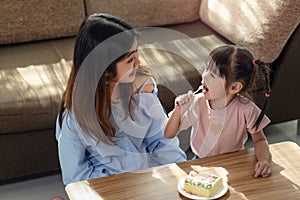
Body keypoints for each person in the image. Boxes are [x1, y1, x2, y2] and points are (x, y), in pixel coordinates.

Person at [56, 13, 186, 185]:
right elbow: (75, 176)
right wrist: (122, 185)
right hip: (109, 188)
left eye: (137, 54)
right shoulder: (75, 117)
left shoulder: (141, 91)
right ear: (105, 70)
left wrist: (181, 174)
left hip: (148, 181)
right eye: (131, 59)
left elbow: (162, 142)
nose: (138, 63)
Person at [165, 45, 272, 178]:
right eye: (206, 69)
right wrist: (178, 110)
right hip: (201, 162)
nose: (204, 76)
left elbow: (260, 141)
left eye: (213, 74)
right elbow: (169, 134)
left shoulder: (246, 109)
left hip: (234, 163)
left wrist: (263, 160)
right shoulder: (197, 103)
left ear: (234, 87)